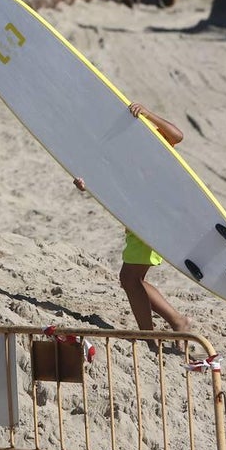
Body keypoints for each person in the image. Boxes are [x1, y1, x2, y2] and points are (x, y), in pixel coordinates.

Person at [74, 102, 191, 346]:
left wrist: (148, 115)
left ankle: (158, 332)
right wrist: (87, 186)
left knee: (130, 278)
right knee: (131, 279)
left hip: (154, 218)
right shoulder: (116, 156)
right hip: (138, 220)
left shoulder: (149, 139)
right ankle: (170, 324)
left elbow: (177, 135)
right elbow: (112, 187)